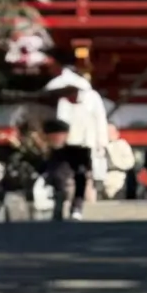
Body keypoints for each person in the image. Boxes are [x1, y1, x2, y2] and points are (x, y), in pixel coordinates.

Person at [45, 53, 109, 220]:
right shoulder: (60, 99)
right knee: (60, 175)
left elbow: (100, 119)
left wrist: (101, 141)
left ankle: (77, 208)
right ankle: (60, 203)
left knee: (80, 175)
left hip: (84, 142)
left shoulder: (91, 97)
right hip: (64, 143)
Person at [103, 124, 138, 200]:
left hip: (117, 179)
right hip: (102, 180)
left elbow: (130, 162)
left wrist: (114, 163)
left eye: (111, 131)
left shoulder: (122, 144)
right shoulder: (100, 145)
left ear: (117, 133)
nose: (108, 133)